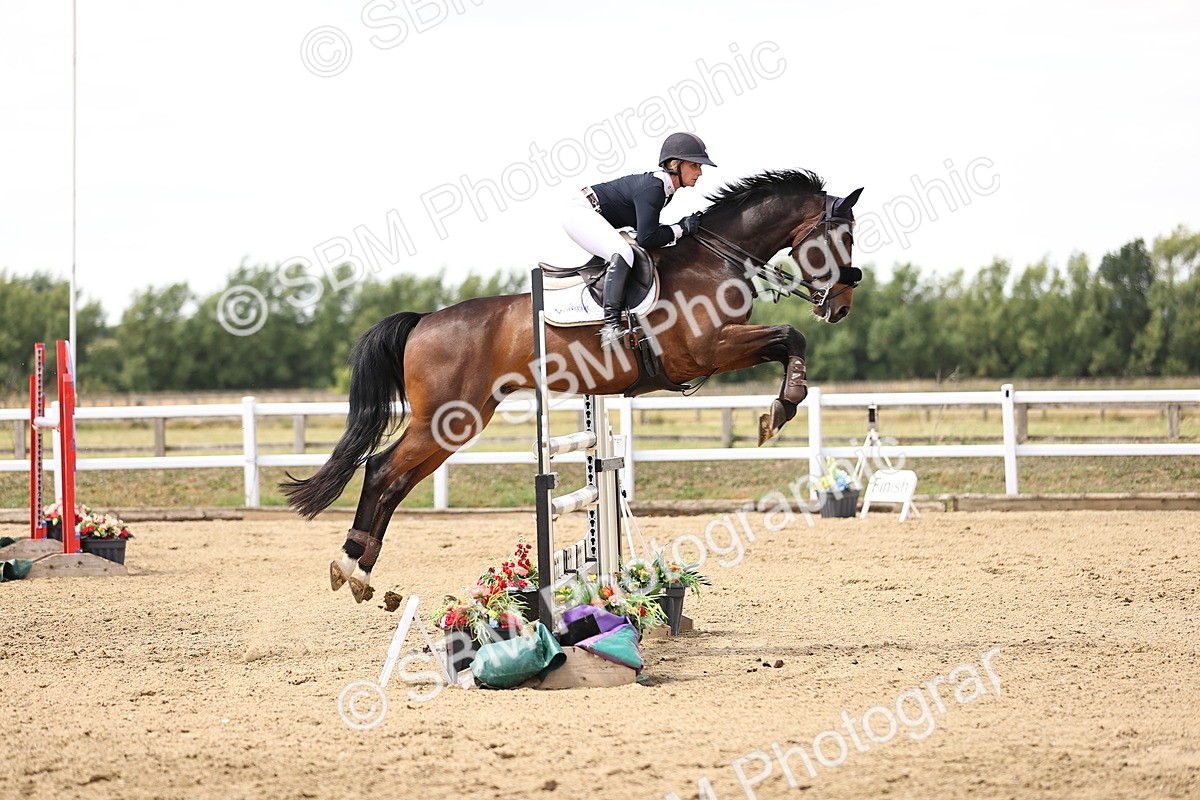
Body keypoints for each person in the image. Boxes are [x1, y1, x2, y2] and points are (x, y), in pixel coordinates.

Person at [562, 131, 716, 348]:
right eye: (694, 165)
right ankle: (610, 326)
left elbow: (647, 231)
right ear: (674, 164)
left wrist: (678, 229)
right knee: (623, 252)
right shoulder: (655, 188)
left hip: (588, 212)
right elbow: (647, 237)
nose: (700, 172)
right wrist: (681, 228)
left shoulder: (664, 190)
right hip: (580, 212)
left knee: (627, 250)